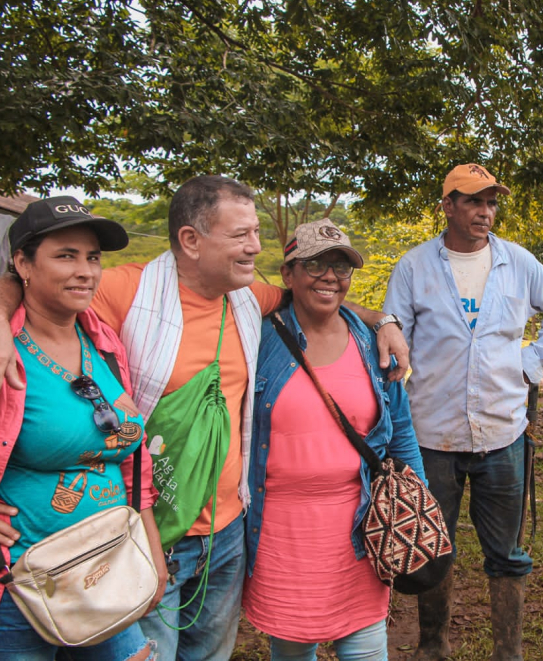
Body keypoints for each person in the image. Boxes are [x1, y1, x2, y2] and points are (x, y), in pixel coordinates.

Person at [0, 176, 410, 661]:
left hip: (227, 529)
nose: (255, 247)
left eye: (256, 233)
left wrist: (383, 321)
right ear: (190, 241)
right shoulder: (123, 290)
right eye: (240, 235)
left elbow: (317, 296)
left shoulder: (247, 296)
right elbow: (37, 287)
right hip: (150, 529)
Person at [383, 163, 543, 661]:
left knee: (507, 554)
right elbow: (393, 330)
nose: (484, 212)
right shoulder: (414, 266)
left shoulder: (517, 262)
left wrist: (533, 360)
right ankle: (433, 647)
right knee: (432, 545)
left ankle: (507, 653)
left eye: (491, 202)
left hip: (502, 432)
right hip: (433, 433)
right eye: (473, 201)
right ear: (447, 205)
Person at [244, 218, 425, 661]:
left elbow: (399, 428)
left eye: (341, 267)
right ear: (288, 274)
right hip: (281, 533)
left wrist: (420, 500)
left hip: (360, 526)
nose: (330, 276)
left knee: (365, 649)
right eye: (315, 264)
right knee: (291, 648)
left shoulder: (372, 343)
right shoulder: (256, 338)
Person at [0, 196, 166, 661]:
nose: (85, 271)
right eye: (65, 255)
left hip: (108, 570)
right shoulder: (6, 350)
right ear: (22, 264)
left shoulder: (102, 339)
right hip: (24, 584)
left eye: (92, 258)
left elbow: (135, 461)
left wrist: (151, 551)